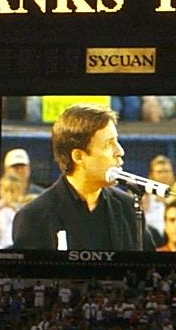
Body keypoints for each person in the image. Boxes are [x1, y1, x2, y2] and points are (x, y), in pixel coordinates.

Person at [12, 102, 155, 251]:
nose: (120, 151)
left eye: (116, 142)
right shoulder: (34, 217)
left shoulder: (128, 207)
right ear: (79, 157)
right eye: (108, 144)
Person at [143, 155, 176, 244]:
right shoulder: (143, 201)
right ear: (151, 175)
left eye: (167, 171)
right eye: (159, 172)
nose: (164, 175)